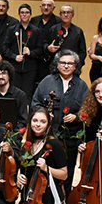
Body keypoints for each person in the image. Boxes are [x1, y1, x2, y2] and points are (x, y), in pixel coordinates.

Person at [6, 107, 68, 204]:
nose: (38, 124)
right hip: (29, 196)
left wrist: (47, 168)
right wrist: (19, 176)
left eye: (42, 121)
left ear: (48, 124)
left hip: (46, 198)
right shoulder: (27, 144)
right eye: (35, 120)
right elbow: (23, 167)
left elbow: (64, 174)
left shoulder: (54, 144)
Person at [32, 50, 88, 195]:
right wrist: (44, 113)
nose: (66, 66)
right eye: (63, 63)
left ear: (76, 66)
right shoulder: (47, 82)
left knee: (66, 172)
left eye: (70, 63)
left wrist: (76, 116)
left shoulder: (81, 86)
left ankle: (65, 203)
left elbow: (88, 109)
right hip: (49, 136)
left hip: (70, 138)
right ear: (57, 65)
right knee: (46, 170)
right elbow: (35, 102)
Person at [2, 3, 43, 99]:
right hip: (14, 68)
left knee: (27, 94)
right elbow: (4, 48)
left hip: (30, 69)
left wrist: (30, 53)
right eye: (22, 13)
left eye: (27, 12)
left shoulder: (36, 31)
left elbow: (41, 50)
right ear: (19, 15)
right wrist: (14, 56)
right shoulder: (12, 29)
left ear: (30, 15)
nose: (24, 14)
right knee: (14, 93)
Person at [30, 0, 61, 92]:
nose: (46, 7)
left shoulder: (59, 21)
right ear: (40, 7)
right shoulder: (34, 21)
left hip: (51, 61)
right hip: (35, 60)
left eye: (49, 5)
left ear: (54, 8)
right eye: (43, 5)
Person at [0, 60, 29, 130]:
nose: (0, 76)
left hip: (13, 135)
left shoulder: (20, 95)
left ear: (9, 75)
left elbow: (23, 121)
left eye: (3, 73)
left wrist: (13, 136)